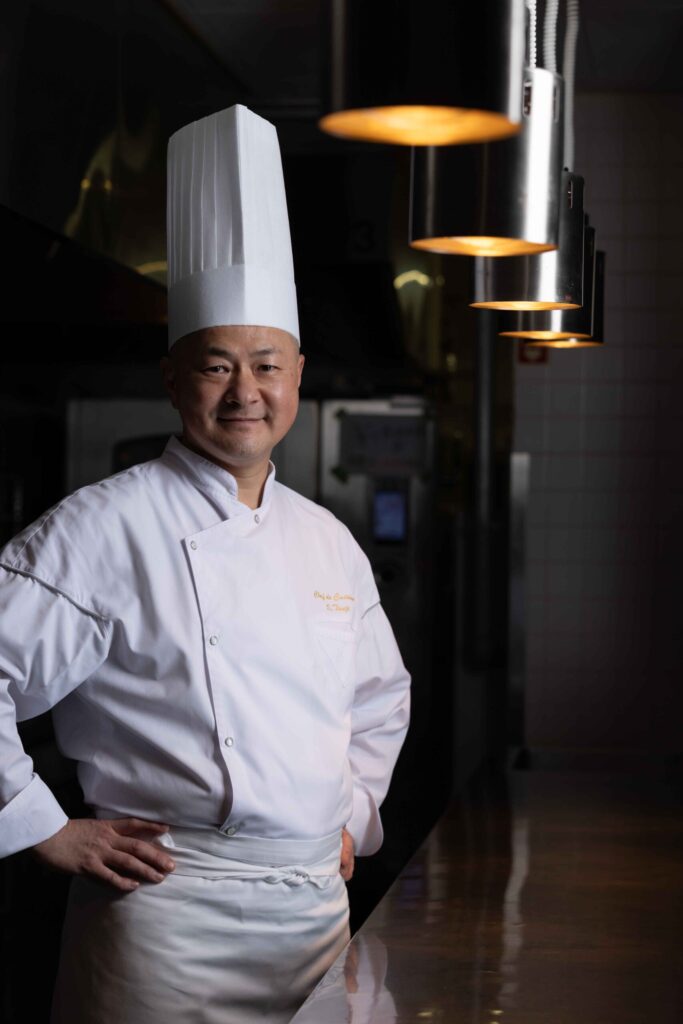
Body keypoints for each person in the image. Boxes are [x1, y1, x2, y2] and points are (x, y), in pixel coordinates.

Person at [0, 105, 410, 1024]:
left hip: (312, 916)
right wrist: (40, 826)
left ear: (297, 374)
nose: (244, 392)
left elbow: (379, 699)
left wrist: (350, 813)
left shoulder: (325, 538)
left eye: (265, 364)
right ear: (172, 378)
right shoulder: (102, 526)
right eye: (216, 366)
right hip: (164, 917)